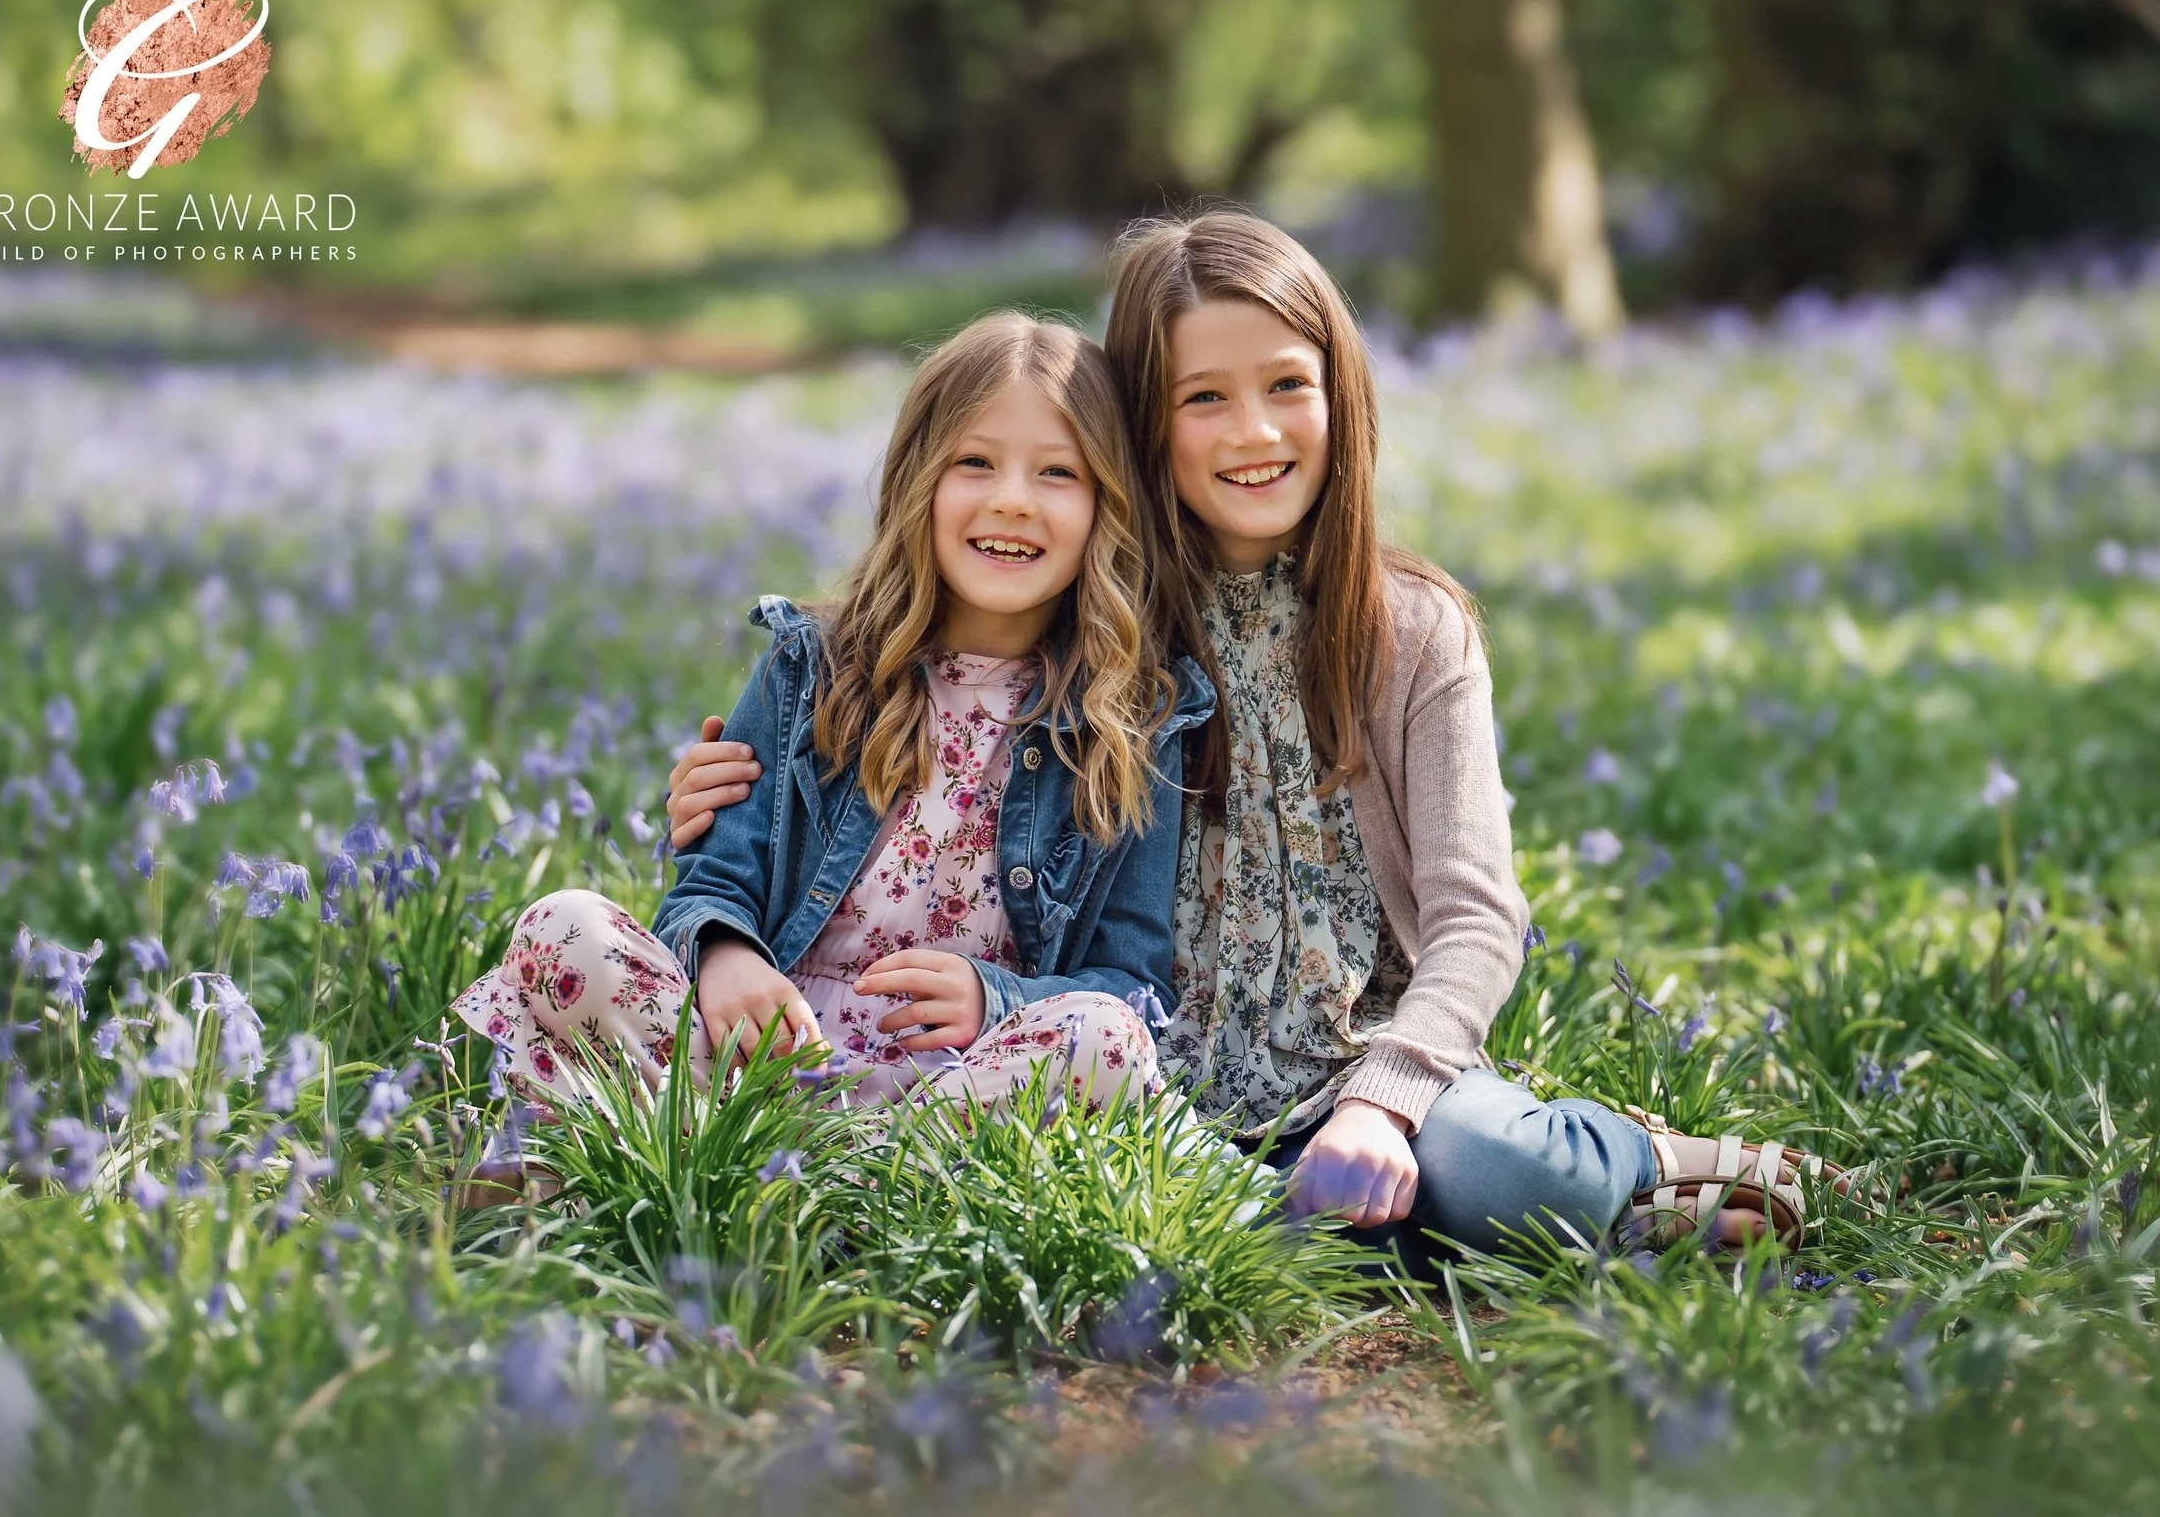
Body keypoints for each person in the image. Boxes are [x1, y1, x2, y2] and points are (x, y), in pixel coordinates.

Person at [670, 213, 1849, 1260]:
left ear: (1342, 393)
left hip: (1369, 1070)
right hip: (1148, 1082)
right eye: (1202, 398)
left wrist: (1382, 1101)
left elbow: (1476, 913)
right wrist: (735, 786)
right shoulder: (1099, 622)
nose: (1253, 431)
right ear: (1141, 426)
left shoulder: (1412, 631)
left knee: (1496, 1169)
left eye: (1288, 384)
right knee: (1251, 1224)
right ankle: (1505, 1227)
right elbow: (930, 746)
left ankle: (1633, 1158)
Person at [452, 311, 1214, 1121]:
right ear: (918, 480)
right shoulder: (811, 666)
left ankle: (826, 1172)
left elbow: (1131, 982)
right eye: (975, 462)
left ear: (1106, 503)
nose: (1012, 500)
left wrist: (995, 998)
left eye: (1057, 472)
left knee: (1106, 1039)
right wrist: (727, 955)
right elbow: (716, 879)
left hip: (952, 1091)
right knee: (564, 925)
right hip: (763, 1063)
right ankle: (755, 1148)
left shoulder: (1134, 721)